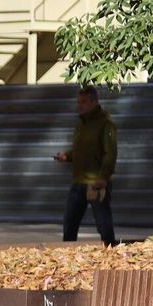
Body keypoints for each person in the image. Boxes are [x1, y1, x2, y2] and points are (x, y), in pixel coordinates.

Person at [55, 86, 118, 246]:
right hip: (78, 182)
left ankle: (110, 251)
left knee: (103, 223)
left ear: (94, 102)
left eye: (83, 102)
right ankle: (67, 254)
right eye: (78, 102)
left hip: (95, 183)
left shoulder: (105, 123)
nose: (79, 105)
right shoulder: (81, 124)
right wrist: (67, 156)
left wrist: (103, 177)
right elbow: (82, 150)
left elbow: (110, 153)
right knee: (70, 222)